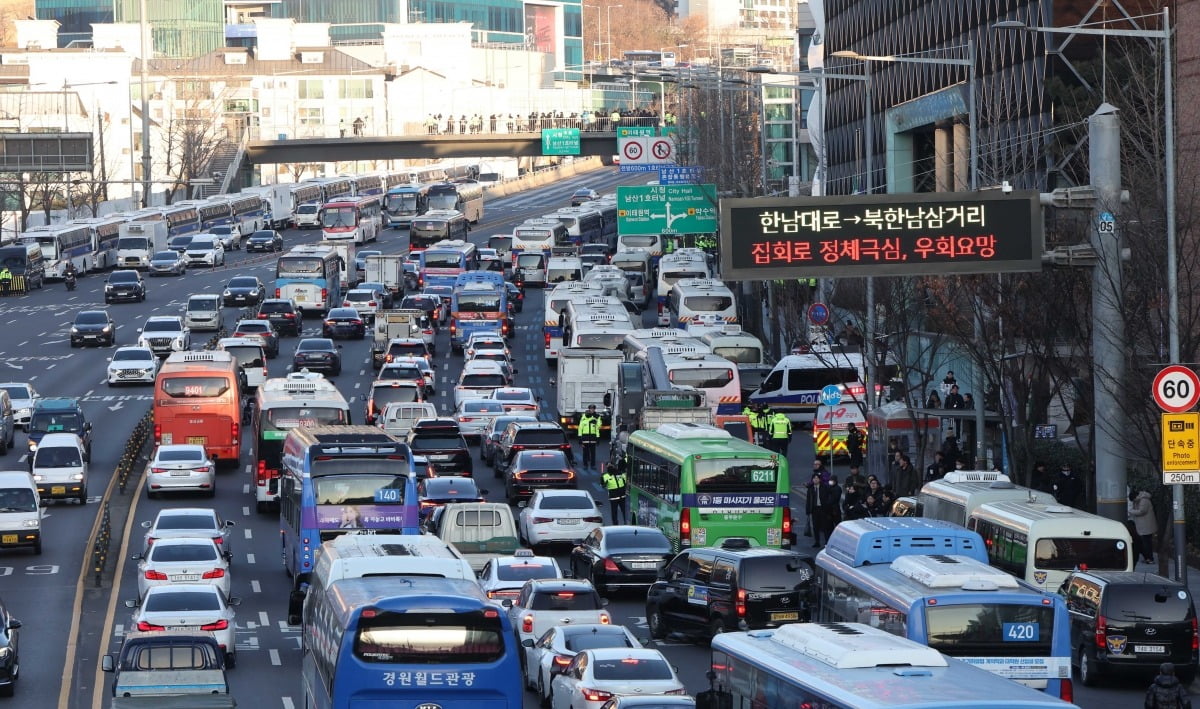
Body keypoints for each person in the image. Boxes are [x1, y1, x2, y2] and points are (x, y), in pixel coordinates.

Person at [1130, 488, 1158, 564]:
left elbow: (1142, 511)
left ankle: (1150, 558)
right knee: (1145, 542)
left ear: (1135, 497)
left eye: (1133, 500)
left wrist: (1131, 511)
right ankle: (1148, 558)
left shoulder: (1144, 500)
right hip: (1144, 525)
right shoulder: (1139, 500)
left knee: (1146, 543)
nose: (1134, 501)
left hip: (1146, 525)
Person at [577, 404, 602, 470]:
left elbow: (598, 428)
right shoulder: (583, 418)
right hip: (585, 438)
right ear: (588, 409)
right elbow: (580, 429)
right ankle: (585, 465)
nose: (592, 410)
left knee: (593, 453)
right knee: (585, 453)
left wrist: (598, 438)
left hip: (592, 438)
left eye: (593, 409)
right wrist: (580, 438)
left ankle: (593, 465)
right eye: (590, 409)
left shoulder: (596, 417)